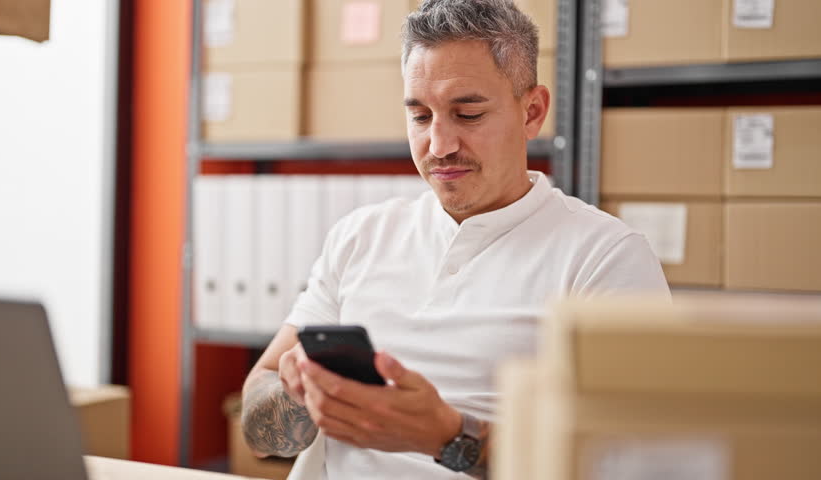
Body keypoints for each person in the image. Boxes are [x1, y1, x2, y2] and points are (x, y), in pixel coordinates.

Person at [240, 0, 670, 478]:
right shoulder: (360, 235)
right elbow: (259, 426)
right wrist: (298, 398)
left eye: (467, 114)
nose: (439, 146)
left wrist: (447, 435)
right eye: (420, 117)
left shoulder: (606, 258)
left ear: (532, 112)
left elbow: (633, 462)